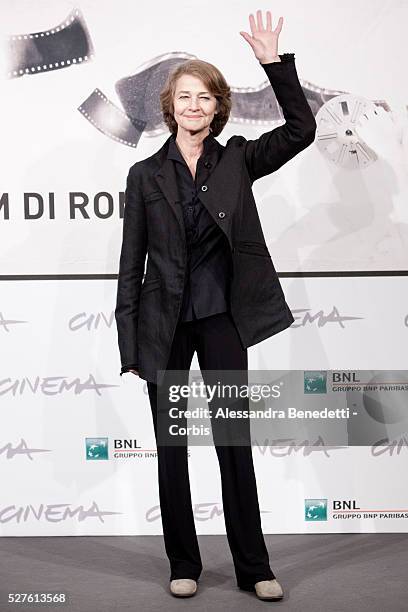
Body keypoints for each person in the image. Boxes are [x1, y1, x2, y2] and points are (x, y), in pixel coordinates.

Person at [115, 8, 316, 601]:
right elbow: (132, 266)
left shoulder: (238, 161)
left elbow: (301, 130)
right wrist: (132, 347)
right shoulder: (144, 174)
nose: (194, 106)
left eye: (204, 97)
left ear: (218, 106)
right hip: (163, 327)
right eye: (184, 97)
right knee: (171, 451)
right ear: (169, 107)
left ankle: (254, 568)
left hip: (223, 321)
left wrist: (273, 64)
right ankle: (184, 562)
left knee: (234, 445)